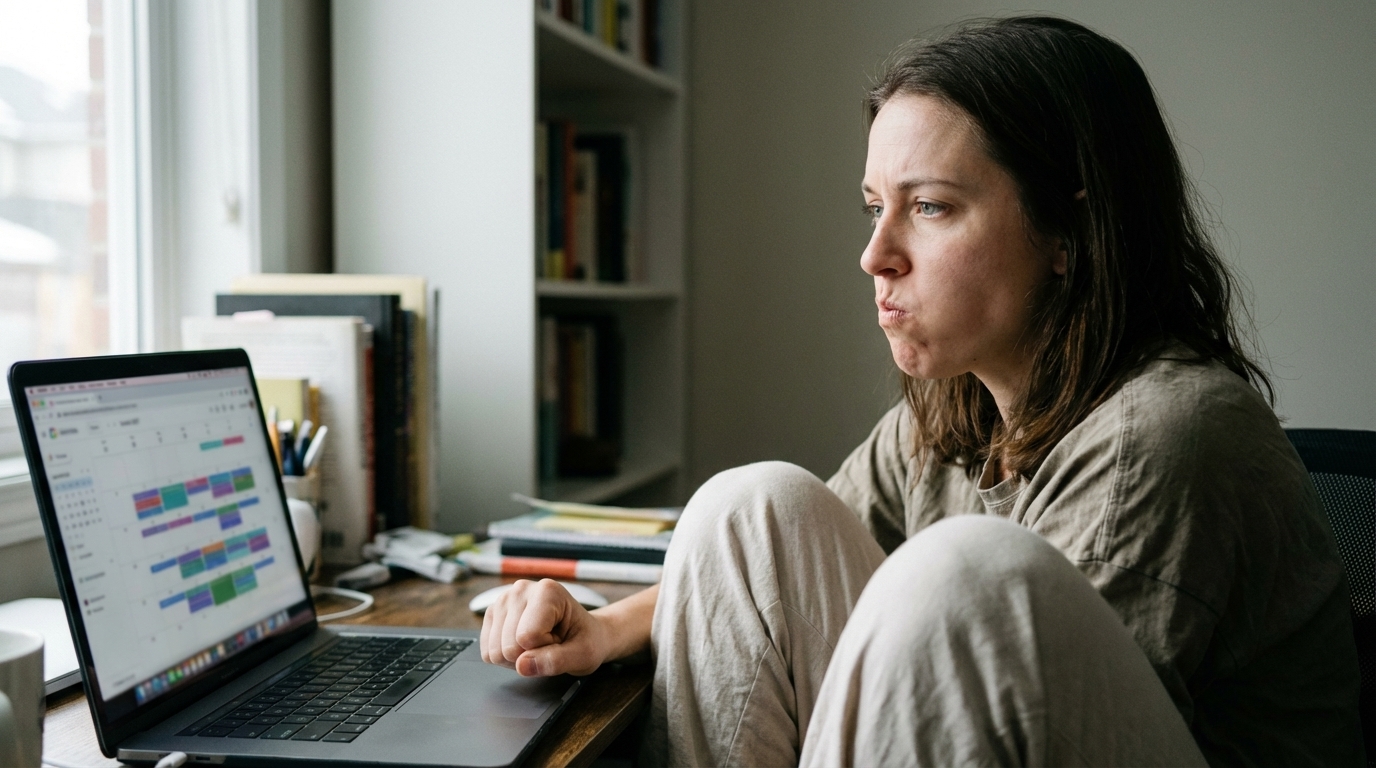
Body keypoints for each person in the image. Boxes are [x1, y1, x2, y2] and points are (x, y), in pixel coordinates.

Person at [480, 16, 1365, 767]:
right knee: (748, 509)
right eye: (876, 207)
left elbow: (1011, 717)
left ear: (1070, 231)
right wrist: (604, 626)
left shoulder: (1164, 436)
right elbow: (772, 584)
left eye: (931, 207)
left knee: (964, 574)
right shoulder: (963, 404)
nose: (876, 255)